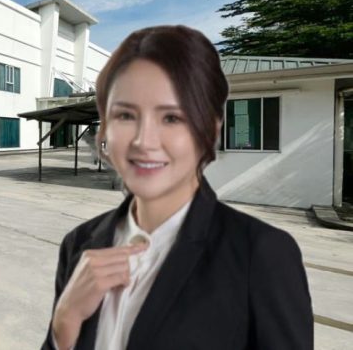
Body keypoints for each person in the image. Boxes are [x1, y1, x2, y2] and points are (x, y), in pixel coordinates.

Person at [40, 25, 313, 350]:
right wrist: (65, 323)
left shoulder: (261, 254)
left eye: (171, 118)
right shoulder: (79, 244)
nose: (143, 141)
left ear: (209, 129)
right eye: (125, 115)